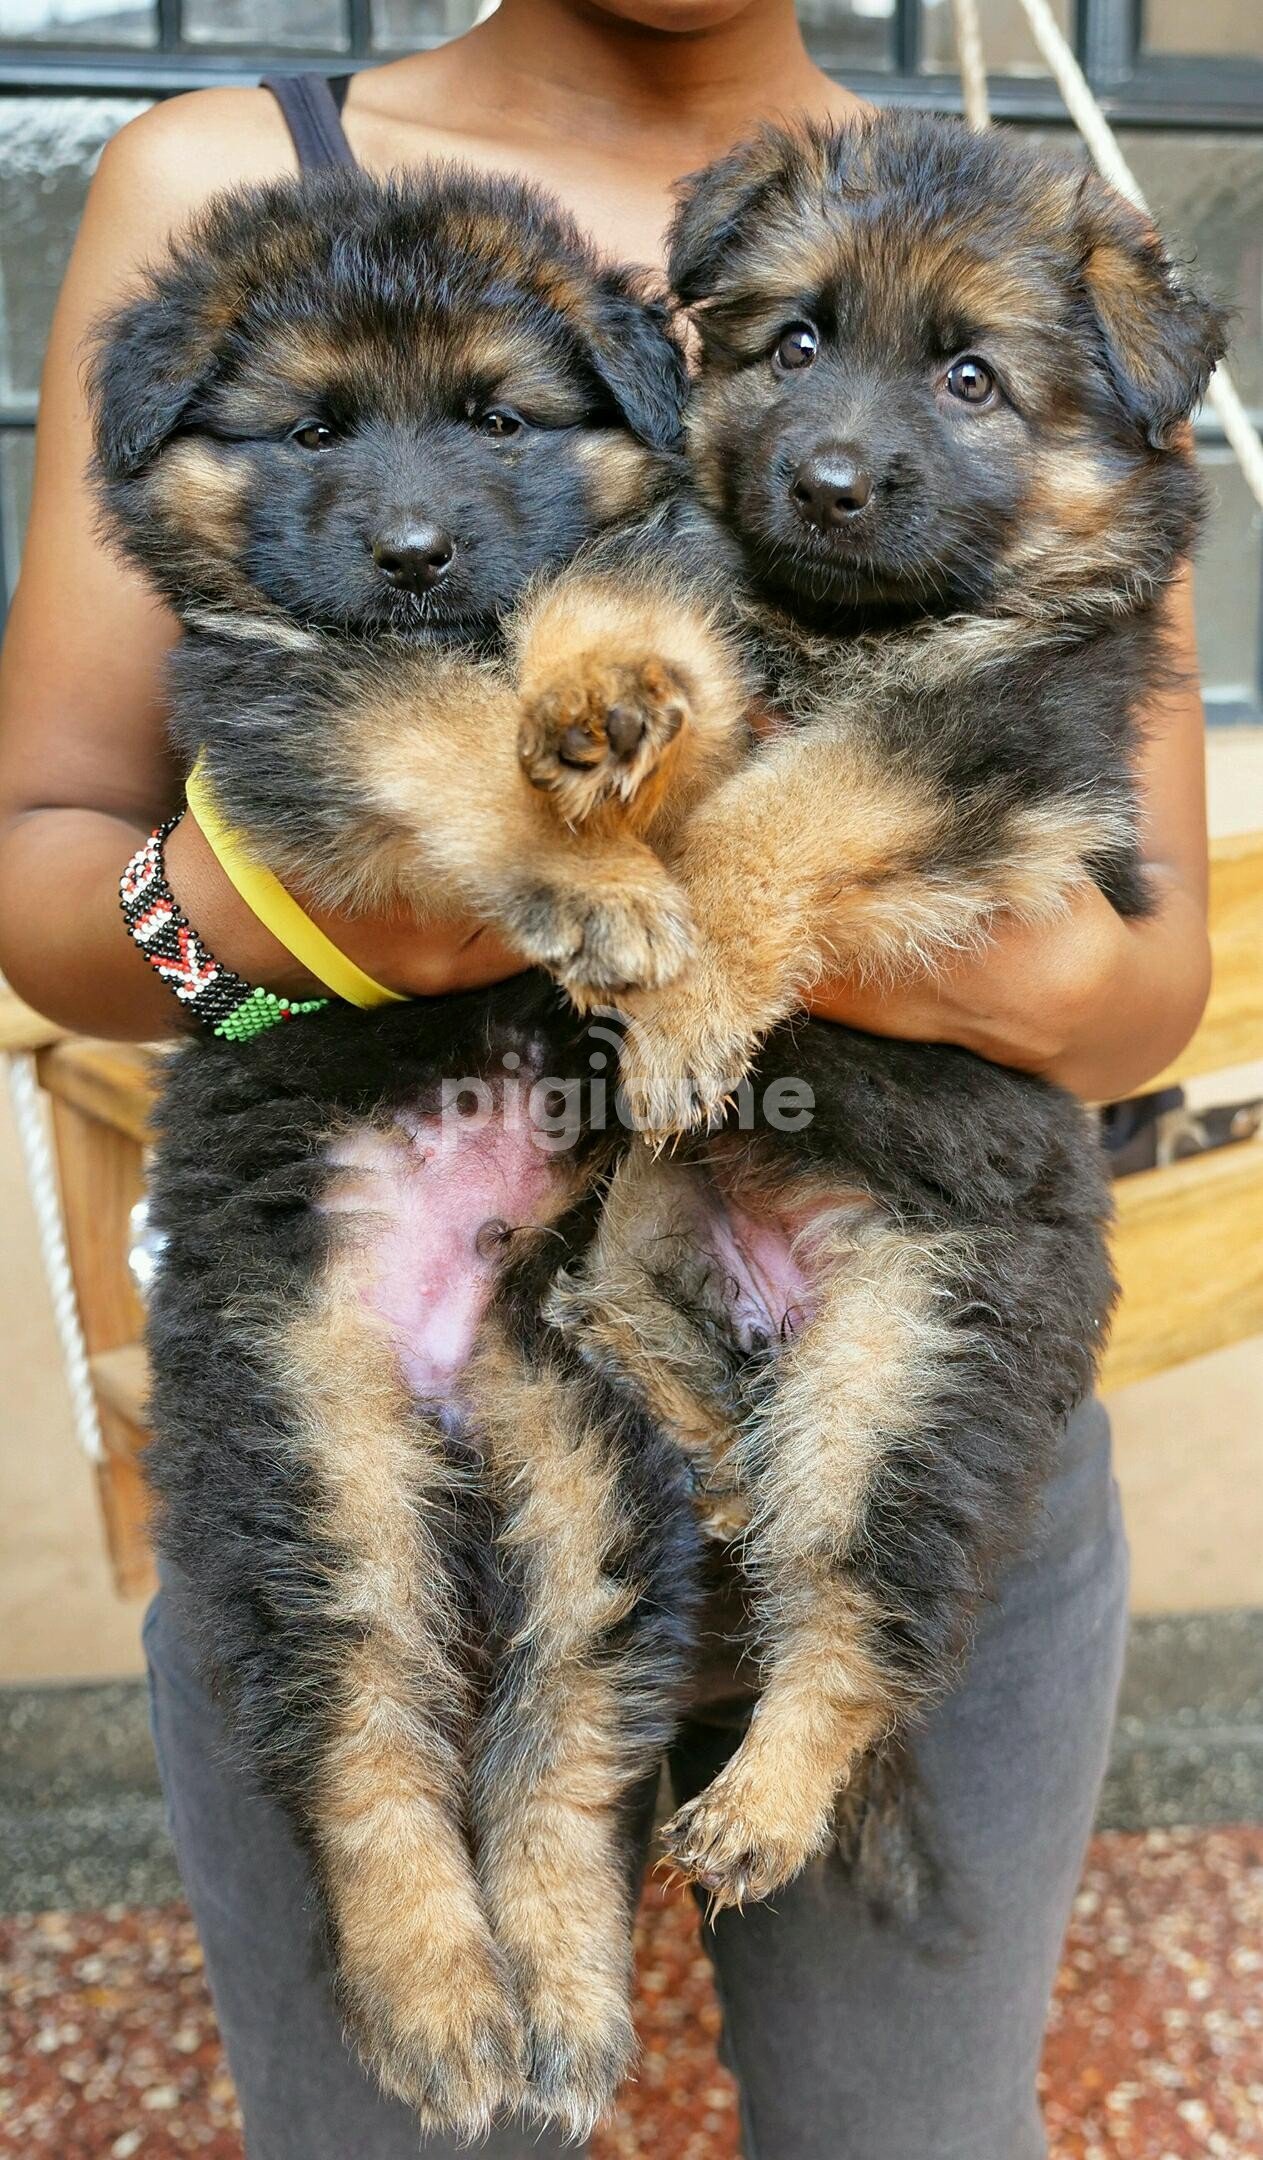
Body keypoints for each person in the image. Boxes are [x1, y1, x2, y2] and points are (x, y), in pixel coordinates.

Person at [0, 4, 1210, 2155]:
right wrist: (285, 922)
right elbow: (56, 877)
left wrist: (771, 890)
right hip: (428, 1382)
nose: (836, 452)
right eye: (774, 366)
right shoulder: (214, 186)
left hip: (898, 1409)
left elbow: (1138, 998)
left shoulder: (1022, 235)